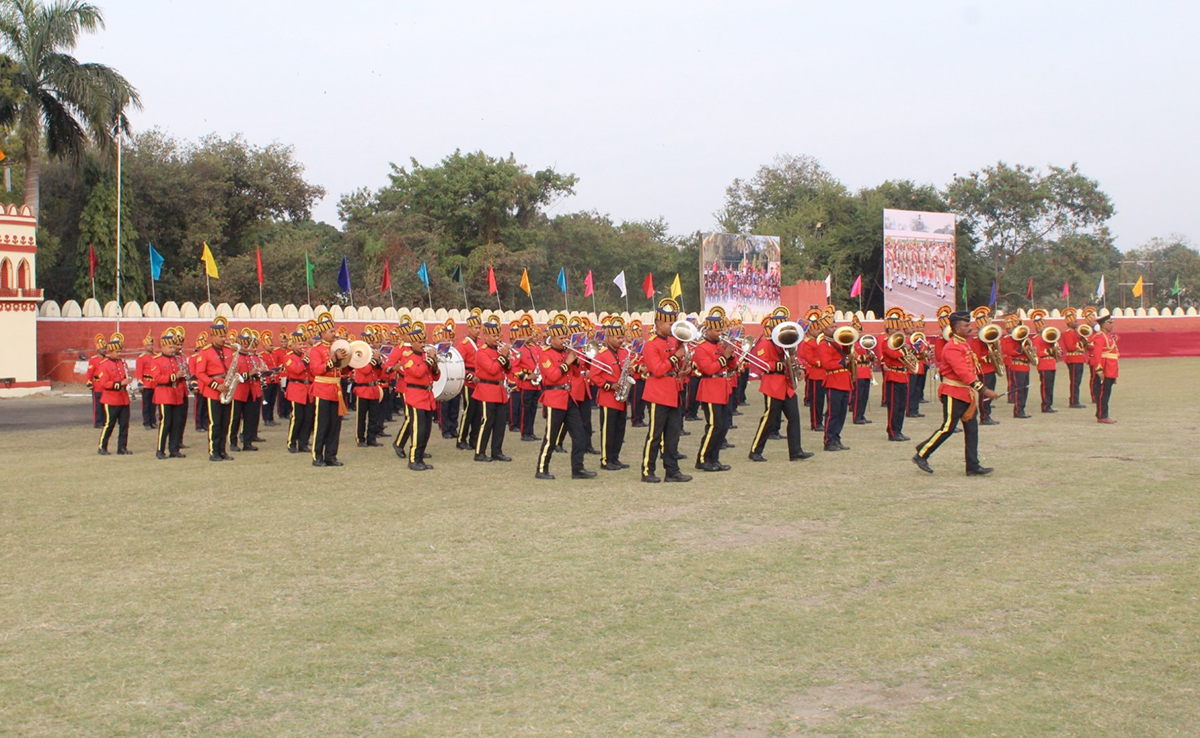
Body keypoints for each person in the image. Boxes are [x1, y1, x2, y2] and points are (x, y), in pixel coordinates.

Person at [913, 311, 999, 476]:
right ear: (956, 328)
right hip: (953, 392)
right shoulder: (952, 346)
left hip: (965, 393)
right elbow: (962, 372)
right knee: (948, 428)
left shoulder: (964, 344)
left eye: (969, 324)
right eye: (966, 325)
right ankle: (922, 453)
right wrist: (984, 389)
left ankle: (973, 465)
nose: (970, 327)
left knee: (972, 429)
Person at [534, 315, 596, 480]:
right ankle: (541, 469)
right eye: (561, 338)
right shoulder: (545, 353)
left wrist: (575, 361)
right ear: (552, 338)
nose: (564, 341)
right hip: (554, 398)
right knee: (551, 437)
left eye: (565, 338)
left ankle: (578, 469)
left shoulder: (566, 353)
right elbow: (553, 376)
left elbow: (575, 374)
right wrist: (567, 362)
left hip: (569, 398)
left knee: (579, 435)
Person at [748, 307, 812, 462]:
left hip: (787, 386)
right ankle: (755, 450)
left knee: (794, 418)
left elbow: (796, 357)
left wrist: (801, 368)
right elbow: (763, 364)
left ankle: (796, 451)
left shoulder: (789, 342)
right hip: (773, 384)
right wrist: (782, 365)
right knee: (769, 419)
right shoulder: (766, 343)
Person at [638, 299, 692, 483]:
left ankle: (672, 471)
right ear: (659, 324)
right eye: (670, 323)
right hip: (658, 394)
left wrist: (684, 368)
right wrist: (676, 358)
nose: (673, 326)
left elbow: (672, 367)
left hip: (673, 391)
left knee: (673, 434)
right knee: (654, 435)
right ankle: (647, 470)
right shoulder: (650, 345)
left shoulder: (672, 341)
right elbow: (659, 370)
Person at [692, 307, 735, 472]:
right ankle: (702, 458)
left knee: (723, 426)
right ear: (708, 329)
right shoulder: (702, 347)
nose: (720, 333)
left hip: (723, 387)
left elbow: (732, 366)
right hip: (710, 388)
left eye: (721, 330)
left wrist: (731, 356)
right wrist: (724, 356)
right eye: (717, 330)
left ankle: (714, 458)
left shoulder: (719, 345)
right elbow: (709, 369)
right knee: (714, 425)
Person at [308, 312, 350, 467]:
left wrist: (349, 363)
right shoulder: (316, 350)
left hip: (336, 389)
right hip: (322, 389)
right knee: (322, 424)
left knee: (335, 425)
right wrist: (333, 360)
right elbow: (316, 370)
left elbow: (342, 371)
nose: (334, 333)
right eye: (331, 331)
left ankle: (331, 455)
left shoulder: (337, 347)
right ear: (323, 333)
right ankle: (317, 456)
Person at [591, 316, 631, 470]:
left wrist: (629, 374)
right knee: (608, 430)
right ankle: (606, 460)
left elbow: (626, 370)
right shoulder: (601, 354)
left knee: (620, 430)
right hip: (608, 398)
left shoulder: (623, 352)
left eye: (622, 337)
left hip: (621, 398)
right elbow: (594, 376)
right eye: (618, 337)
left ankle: (615, 457)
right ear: (608, 337)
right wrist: (610, 385)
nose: (621, 340)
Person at [472, 314, 513, 462]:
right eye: (494, 335)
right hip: (487, 390)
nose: (497, 338)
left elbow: (507, 370)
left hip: (500, 390)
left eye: (498, 335)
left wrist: (506, 358)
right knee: (487, 422)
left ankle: (497, 451)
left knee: (500, 423)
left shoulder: (498, 350)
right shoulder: (481, 352)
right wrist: (503, 356)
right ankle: (480, 452)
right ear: (486, 336)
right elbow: (492, 369)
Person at [400, 321, 440, 470]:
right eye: (419, 342)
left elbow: (435, 377)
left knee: (427, 430)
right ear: (412, 343)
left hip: (427, 395)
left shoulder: (424, 357)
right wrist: (429, 360)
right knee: (418, 430)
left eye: (424, 341)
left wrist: (434, 364)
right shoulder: (408, 357)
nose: (423, 344)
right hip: (415, 396)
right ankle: (413, 460)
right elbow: (417, 372)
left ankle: (420, 457)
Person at [195, 317, 236, 461]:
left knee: (226, 422)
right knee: (215, 422)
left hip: (227, 388)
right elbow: (200, 373)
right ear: (213, 336)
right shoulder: (205, 352)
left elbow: (232, 367)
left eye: (224, 335)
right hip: (214, 390)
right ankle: (213, 452)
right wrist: (216, 385)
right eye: (220, 336)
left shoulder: (229, 350)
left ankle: (223, 450)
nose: (223, 338)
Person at [816, 308, 854, 451]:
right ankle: (829, 440)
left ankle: (836, 437)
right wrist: (843, 362)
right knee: (832, 412)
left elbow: (846, 351)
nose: (835, 329)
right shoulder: (824, 344)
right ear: (824, 329)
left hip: (844, 380)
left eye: (835, 326)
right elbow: (826, 364)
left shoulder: (837, 342)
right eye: (831, 327)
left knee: (842, 413)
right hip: (834, 380)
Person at [150, 327, 188, 459]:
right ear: (164, 347)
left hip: (177, 394)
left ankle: (174, 449)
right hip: (164, 394)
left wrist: (182, 376)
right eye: (170, 347)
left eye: (174, 347)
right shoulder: (156, 360)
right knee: (166, 422)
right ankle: (160, 450)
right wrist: (174, 376)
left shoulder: (177, 359)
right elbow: (157, 378)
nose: (173, 349)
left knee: (177, 422)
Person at [94, 333, 132, 455]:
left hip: (123, 398)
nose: (119, 354)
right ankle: (102, 446)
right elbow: (104, 383)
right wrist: (120, 384)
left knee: (124, 424)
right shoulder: (104, 365)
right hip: (111, 398)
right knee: (109, 424)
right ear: (110, 352)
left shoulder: (123, 363)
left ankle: (122, 447)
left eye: (120, 351)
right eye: (116, 352)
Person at [879, 307, 911, 442]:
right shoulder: (887, 343)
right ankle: (892, 431)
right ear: (889, 330)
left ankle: (899, 429)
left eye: (899, 329)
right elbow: (893, 355)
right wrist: (905, 350)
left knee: (902, 405)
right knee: (894, 405)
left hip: (903, 375)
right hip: (893, 375)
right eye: (895, 329)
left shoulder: (901, 344)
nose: (898, 332)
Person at [353, 325, 386, 447]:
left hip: (373, 389)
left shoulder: (372, 357)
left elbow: (378, 374)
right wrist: (373, 360)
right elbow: (364, 370)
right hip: (362, 389)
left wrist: (379, 363)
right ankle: (360, 438)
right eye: (369, 343)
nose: (371, 345)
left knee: (374, 416)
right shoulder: (358, 356)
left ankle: (371, 438)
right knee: (361, 417)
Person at [456, 307, 483, 449]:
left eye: (479, 327)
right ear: (469, 328)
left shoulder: (480, 343)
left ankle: (474, 439)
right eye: (475, 328)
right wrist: (470, 376)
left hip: (480, 381)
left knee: (478, 412)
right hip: (469, 382)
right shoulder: (464, 345)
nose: (478, 330)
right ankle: (461, 439)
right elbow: (458, 365)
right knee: (468, 411)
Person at [283, 328, 313, 453]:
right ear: (293, 345)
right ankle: (292, 442)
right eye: (299, 344)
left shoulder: (307, 355)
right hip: (296, 388)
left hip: (308, 389)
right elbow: (296, 370)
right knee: (297, 417)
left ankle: (303, 442)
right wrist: (305, 360)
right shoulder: (288, 357)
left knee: (308, 417)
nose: (302, 346)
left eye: (303, 344)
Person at [1001, 313, 1032, 418]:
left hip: (1025, 366)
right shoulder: (1008, 339)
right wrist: (1021, 350)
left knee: (1025, 389)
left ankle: (1022, 409)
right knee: (1019, 389)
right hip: (1017, 365)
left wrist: (1031, 350)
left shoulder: (1023, 338)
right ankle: (1018, 411)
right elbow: (1008, 351)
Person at [799, 310, 826, 430]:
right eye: (816, 329)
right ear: (810, 330)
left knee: (822, 401)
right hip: (815, 374)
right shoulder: (808, 343)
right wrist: (824, 362)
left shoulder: (819, 341)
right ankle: (816, 423)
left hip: (823, 374)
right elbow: (810, 359)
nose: (819, 331)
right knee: (816, 401)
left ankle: (820, 421)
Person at [1091, 313, 1119, 424]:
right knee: (1103, 393)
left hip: (1111, 368)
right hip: (1105, 367)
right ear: (1103, 325)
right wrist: (1099, 369)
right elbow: (1097, 354)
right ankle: (1102, 415)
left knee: (1106, 392)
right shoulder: (1100, 336)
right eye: (1109, 323)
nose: (1112, 325)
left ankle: (1102, 413)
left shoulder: (1108, 337)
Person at [1029, 309, 1058, 413]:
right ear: (1037, 327)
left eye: (1044, 326)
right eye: (1042, 326)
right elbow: (1038, 352)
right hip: (1044, 364)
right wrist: (1049, 351)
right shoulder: (1037, 338)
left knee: (1050, 386)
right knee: (1046, 386)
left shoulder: (1048, 337)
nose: (1044, 327)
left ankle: (1049, 404)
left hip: (1051, 364)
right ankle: (1045, 405)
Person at [1059, 308, 1089, 409]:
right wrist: (1081, 343)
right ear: (1069, 322)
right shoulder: (1068, 333)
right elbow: (1070, 347)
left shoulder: (1076, 332)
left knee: (1078, 381)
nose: (1077, 323)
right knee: (1074, 381)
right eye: (1075, 321)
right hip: (1073, 358)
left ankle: (1075, 399)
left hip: (1079, 358)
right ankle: (1073, 401)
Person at [135, 331, 159, 430]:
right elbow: (139, 371)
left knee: (154, 404)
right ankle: (146, 422)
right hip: (146, 383)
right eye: (148, 345)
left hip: (155, 383)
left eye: (152, 345)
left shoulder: (156, 356)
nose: (151, 347)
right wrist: (140, 383)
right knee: (146, 404)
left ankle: (153, 421)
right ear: (145, 346)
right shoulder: (141, 358)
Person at [85, 333, 107, 428]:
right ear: (98, 350)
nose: (105, 350)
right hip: (97, 385)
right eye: (103, 349)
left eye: (105, 348)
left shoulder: (107, 359)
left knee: (105, 405)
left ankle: (105, 421)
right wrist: (89, 382)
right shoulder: (93, 360)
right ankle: (98, 422)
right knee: (98, 406)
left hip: (105, 385)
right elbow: (90, 372)